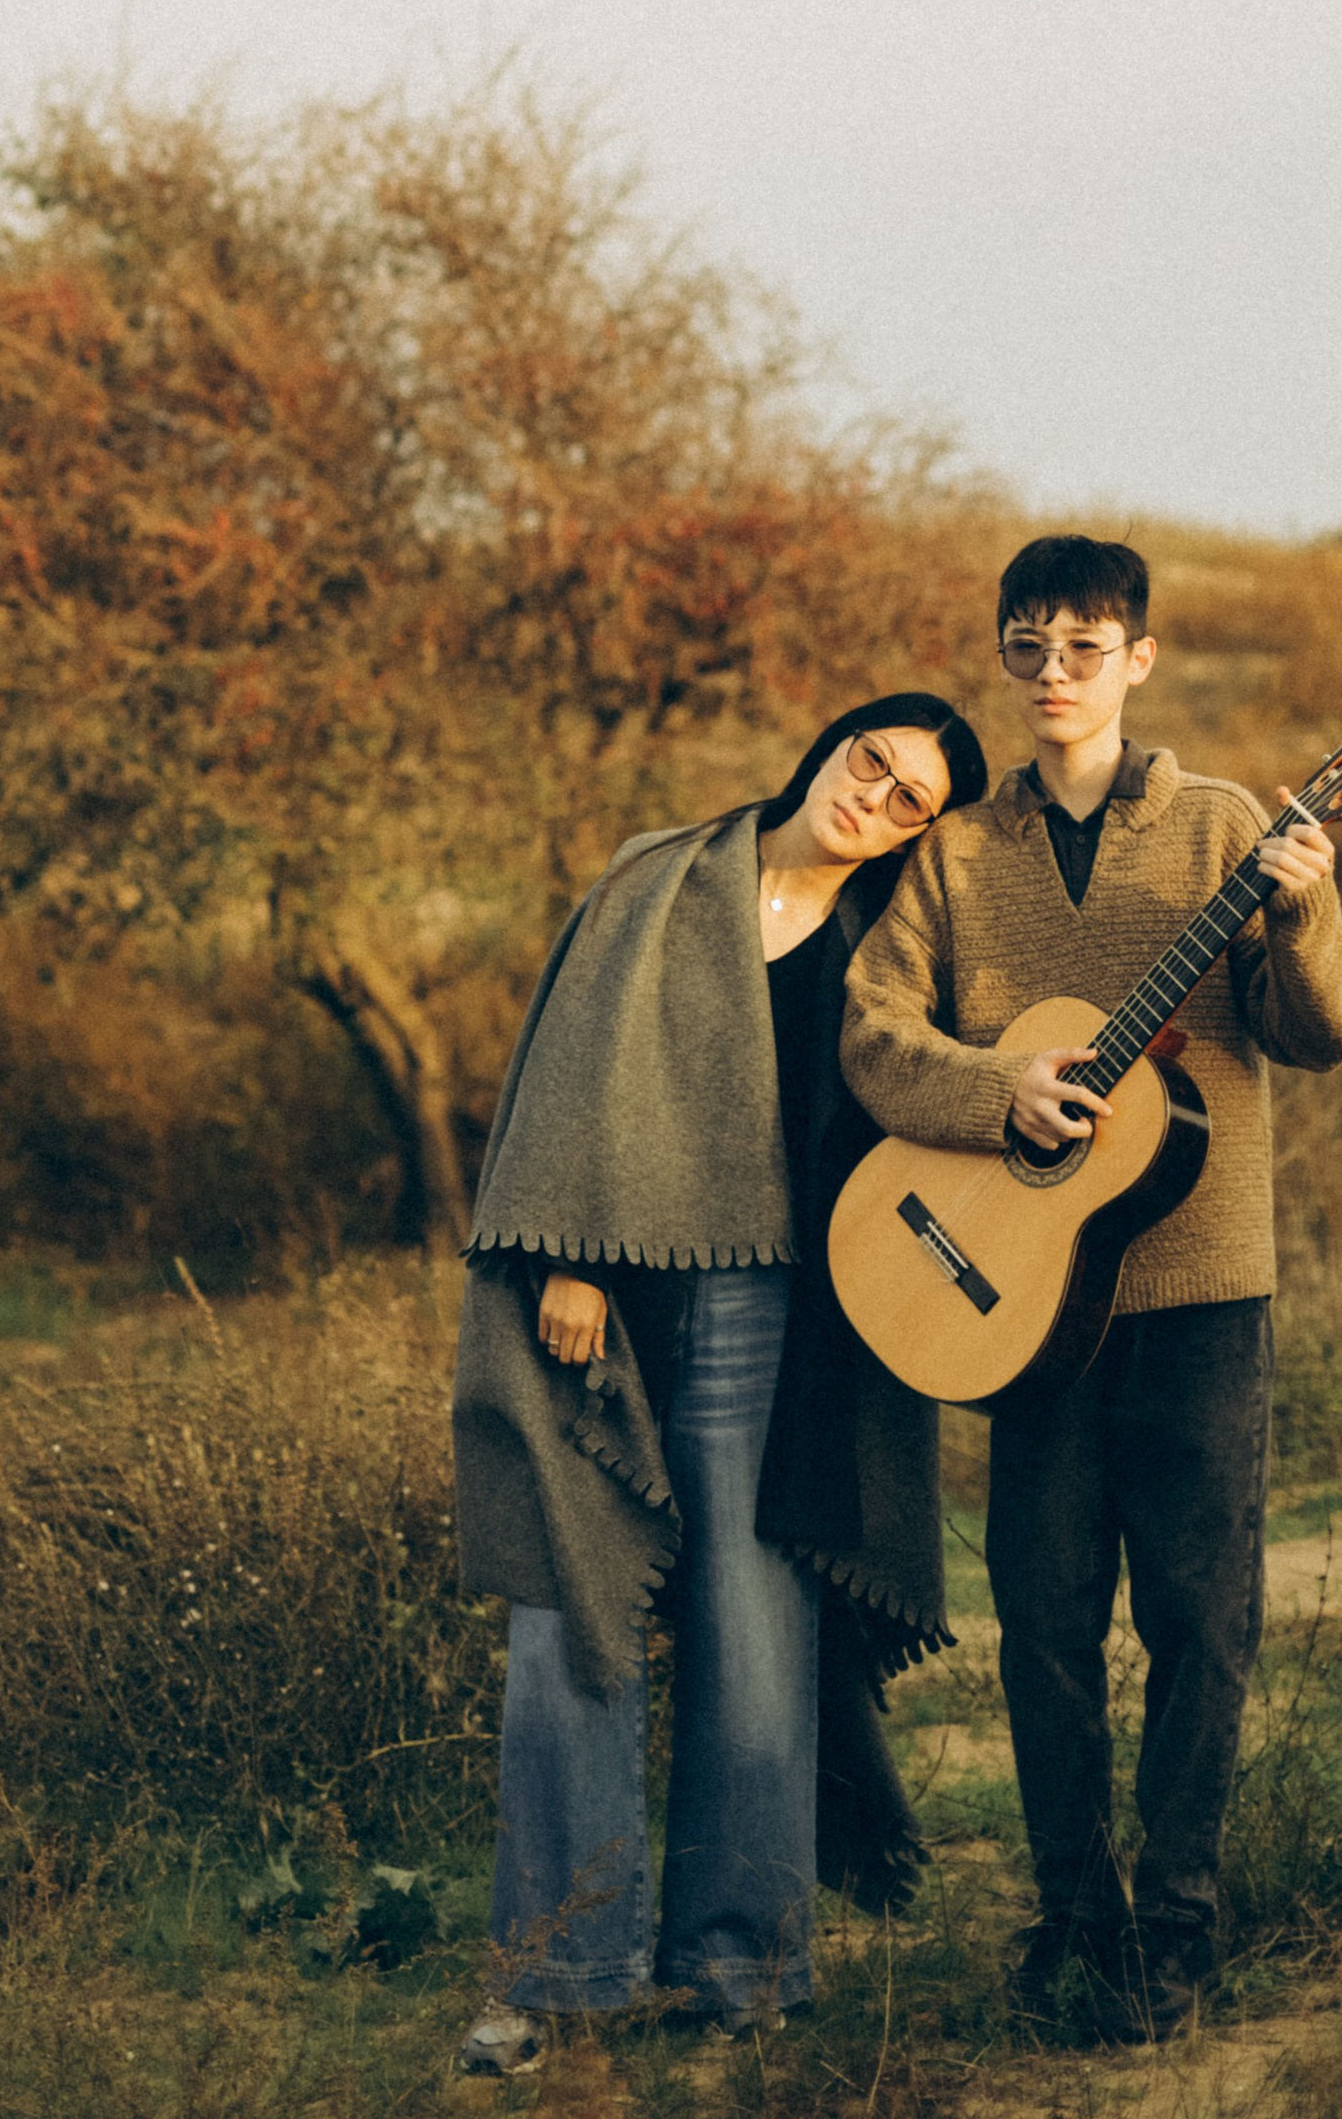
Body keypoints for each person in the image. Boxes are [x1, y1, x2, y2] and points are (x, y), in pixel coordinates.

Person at [840, 535, 1342, 2040]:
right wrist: (994, 1089)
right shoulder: (952, 855)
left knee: (1205, 1616)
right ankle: (1074, 1914)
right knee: (1045, 1618)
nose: (1055, 674)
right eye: (1029, 647)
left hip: (1204, 1290)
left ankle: (1182, 1920)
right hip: (1023, 1303)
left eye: (1085, 647)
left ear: (1140, 659)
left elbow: (1322, 1031)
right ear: (1006, 659)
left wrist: (1306, 913)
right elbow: (875, 1036)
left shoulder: (1226, 830)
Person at [450, 690, 991, 2073]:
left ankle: (740, 1964)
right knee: (573, 1607)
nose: (872, 793)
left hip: (781, 1310)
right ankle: (557, 1969)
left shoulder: (884, 948)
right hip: (615, 1292)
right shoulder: (661, 877)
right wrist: (578, 1255)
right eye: (869, 758)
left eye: (910, 797)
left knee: (755, 1623)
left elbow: (916, 1104)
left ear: (919, 835)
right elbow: (573, 1069)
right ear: (830, 745)